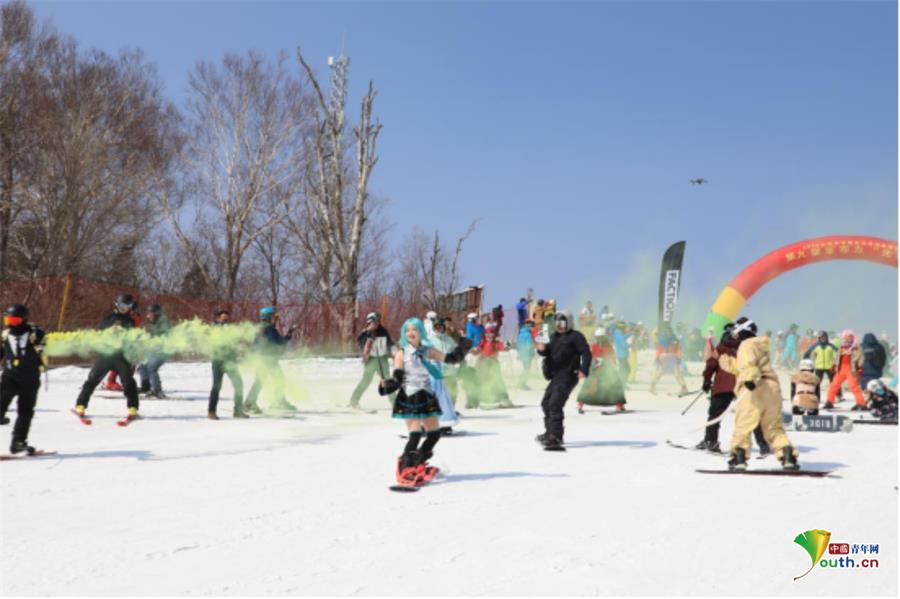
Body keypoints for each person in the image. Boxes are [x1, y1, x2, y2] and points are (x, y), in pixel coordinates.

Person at [379, 317, 471, 487]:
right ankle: (405, 467)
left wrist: (463, 345)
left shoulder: (428, 350)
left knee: (434, 434)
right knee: (415, 434)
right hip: (409, 395)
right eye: (407, 330)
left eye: (414, 330)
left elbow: (451, 359)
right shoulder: (401, 353)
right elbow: (398, 377)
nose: (410, 333)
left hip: (426, 395)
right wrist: (387, 385)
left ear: (420, 332)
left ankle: (418, 462)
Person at [718, 317, 798, 471]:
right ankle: (787, 455)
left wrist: (748, 378)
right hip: (771, 388)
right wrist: (726, 362)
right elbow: (746, 366)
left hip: (754, 389)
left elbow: (748, 365)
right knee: (773, 426)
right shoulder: (759, 345)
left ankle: (738, 457)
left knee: (744, 424)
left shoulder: (746, 345)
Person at [697, 323, 770, 455]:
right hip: (744, 385)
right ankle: (763, 444)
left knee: (715, 415)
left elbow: (711, 364)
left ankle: (710, 442)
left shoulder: (723, 347)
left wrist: (707, 381)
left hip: (724, 385)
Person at [74, 294, 141, 423]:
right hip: (105, 355)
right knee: (92, 380)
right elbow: (98, 334)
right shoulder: (109, 318)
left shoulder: (130, 321)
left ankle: (132, 408)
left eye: (127, 306)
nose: (124, 309)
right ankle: (80, 405)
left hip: (121, 357)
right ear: (116, 304)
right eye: (122, 306)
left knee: (128, 382)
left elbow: (133, 338)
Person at [534, 311, 592, 450]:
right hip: (556, 376)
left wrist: (584, 369)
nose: (559, 326)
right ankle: (550, 432)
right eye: (557, 323)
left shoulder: (575, 336)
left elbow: (586, 352)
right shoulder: (553, 337)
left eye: (562, 322)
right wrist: (541, 349)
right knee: (546, 403)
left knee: (555, 404)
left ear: (569, 322)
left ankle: (556, 436)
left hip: (568, 375)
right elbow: (546, 352)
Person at [0, 305, 47, 454]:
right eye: (8, 320)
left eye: (14, 320)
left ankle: (18, 442)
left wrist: (36, 334)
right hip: (10, 377)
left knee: (25, 412)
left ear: (23, 320)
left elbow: (43, 342)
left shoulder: (35, 334)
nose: (10, 323)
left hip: (30, 379)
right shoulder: (5, 335)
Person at [244, 307, 297, 414]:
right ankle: (249, 404)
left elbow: (254, 344)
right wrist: (289, 333)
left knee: (264, 381)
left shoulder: (259, 327)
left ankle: (278, 401)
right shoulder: (269, 328)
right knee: (270, 381)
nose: (276, 319)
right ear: (268, 317)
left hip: (262, 358)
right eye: (274, 316)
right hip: (268, 360)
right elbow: (279, 342)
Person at [348, 312, 396, 410]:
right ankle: (354, 401)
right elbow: (360, 343)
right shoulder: (366, 332)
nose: (376, 323)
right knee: (366, 381)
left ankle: (394, 403)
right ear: (369, 322)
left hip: (382, 359)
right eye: (374, 321)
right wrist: (366, 332)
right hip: (371, 360)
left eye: (378, 321)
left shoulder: (383, 331)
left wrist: (394, 353)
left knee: (387, 381)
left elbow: (390, 343)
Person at [576, 327, 626, 414]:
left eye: (601, 337)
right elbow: (590, 356)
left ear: (604, 337)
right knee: (588, 385)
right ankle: (580, 404)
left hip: (607, 369)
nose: (599, 339)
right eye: (597, 337)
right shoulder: (594, 346)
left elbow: (612, 357)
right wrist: (594, 362)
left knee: (615, 384)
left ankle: (620, 405)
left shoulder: (608, 346)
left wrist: (611, 364)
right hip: (596, 369)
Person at [208, 310, 247, 420]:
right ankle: (211, 411)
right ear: (218, 319)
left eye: (227, 319)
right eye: (223, 319)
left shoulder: (231, 329)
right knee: (216, 387)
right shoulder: (214, 328)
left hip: (230, 362)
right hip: (218, 362)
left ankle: (238, 411)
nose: (226, 321)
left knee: (239, 384)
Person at [469, 322, 512, 409]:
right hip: (482, 365)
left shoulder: (496, 343)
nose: (490, 336)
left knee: (497, 381)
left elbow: (504, 348)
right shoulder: (483, 343)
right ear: (485, 335)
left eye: (491, 334)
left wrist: (508, 345)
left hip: (493, 365)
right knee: (481, 381)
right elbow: (476, 352)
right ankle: (475, 400)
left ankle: (503, 399)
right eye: (488, 334)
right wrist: (471, 350)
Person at [429, 317, 461, 432]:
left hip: (450, 372)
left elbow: (455, 352)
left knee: (452, 395)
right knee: (439, 398)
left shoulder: (449, 340)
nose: (438, 329)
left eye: (440, 327)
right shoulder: (429, 340)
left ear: (443, 328)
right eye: (436, 327)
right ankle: (435, 422)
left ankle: (448, 422)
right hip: (437, 373)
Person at [825, 330, 865, 410]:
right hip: (841, 369)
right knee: (834, 385)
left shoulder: (856, 347)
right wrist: (834, 365)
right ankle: (829, 401)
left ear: (853, 338)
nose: (847, 339)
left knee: (853, 386)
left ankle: (861, 403)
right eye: (845, 337)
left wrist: (860, 367)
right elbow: (837, 357)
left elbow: (861, 357)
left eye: (849, 337)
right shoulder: (841, 347)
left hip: (851, 369)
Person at [137, 304, 171, 399]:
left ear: (156, 314)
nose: (148, 316)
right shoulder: (154, 324)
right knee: (143, 365)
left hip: (164, 350)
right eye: (147, 313)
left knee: (152, 366)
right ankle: (146, 386)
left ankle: (157, 390)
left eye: (150, 313)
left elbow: (163, 338)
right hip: (155, 350)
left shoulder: (163, 323)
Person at [649, 325, 688, 395]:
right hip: (663, 357)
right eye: (667, 331)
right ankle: (652, 386)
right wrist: (657, 357)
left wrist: (679, 357)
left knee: (677, 373)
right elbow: (659, 349)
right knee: (659, 372)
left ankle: (684, 388)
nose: (668, 333)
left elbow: (678, 349)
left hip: (672, 357)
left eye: (669, 331)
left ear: (672, 332)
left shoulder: (675, 340)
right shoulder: (662, 340)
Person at [516, 320, 536, 390]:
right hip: (527, 355)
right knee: (527, 370)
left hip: (522, 354)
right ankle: (521, 384)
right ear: (530, 327)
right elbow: (528, 345)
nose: (533, 329)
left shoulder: (520, 333)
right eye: (533, 327)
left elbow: (518, 345)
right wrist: (531, 353)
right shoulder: (528, 334)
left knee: (525, 369)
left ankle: (521, 383)